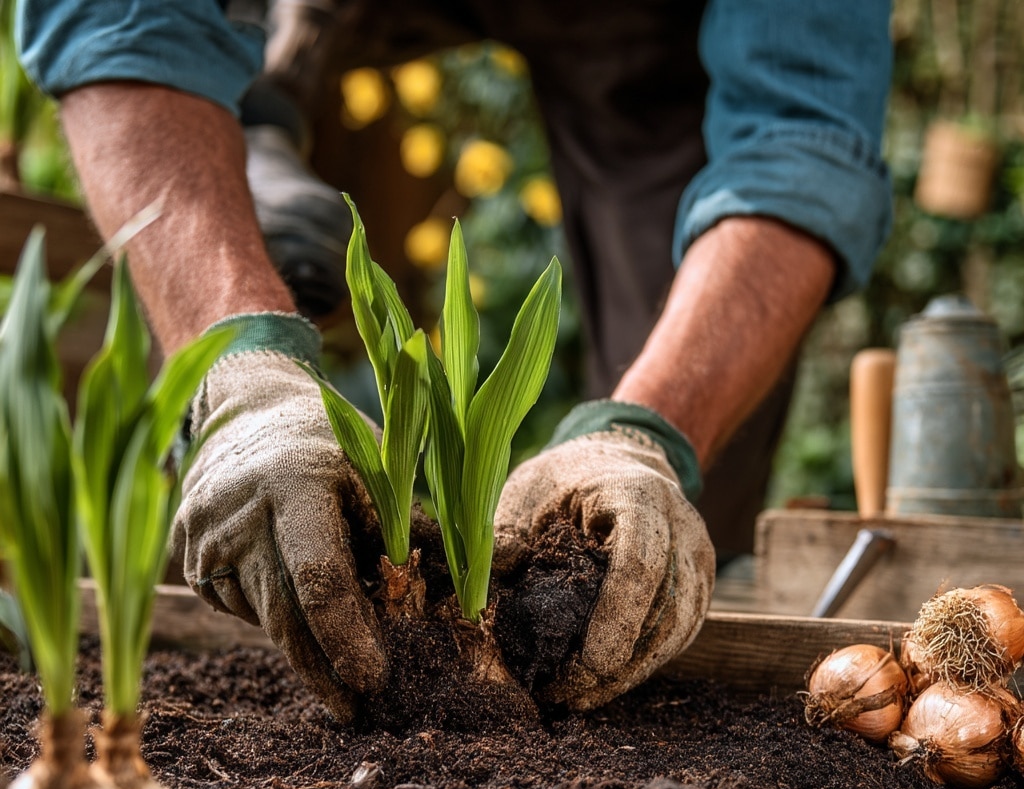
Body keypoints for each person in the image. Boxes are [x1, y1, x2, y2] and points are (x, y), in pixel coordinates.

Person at [15, 0, 893, 719]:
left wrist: (650, 432)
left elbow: (800, 132)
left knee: (640, 547)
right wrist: (241, 369)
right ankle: (265, 109)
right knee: (272, 486)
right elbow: (118, 22)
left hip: (639, 32)